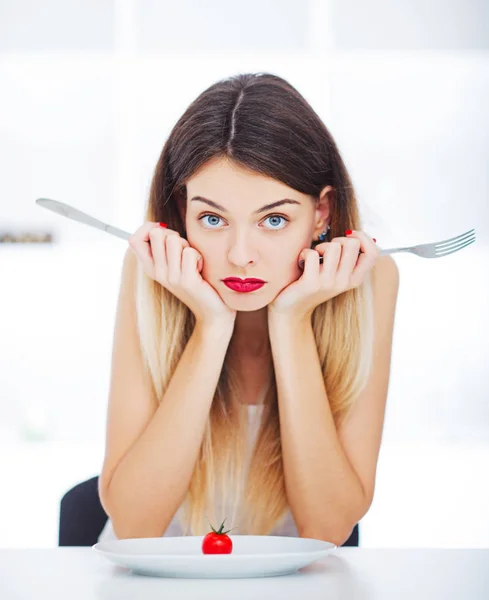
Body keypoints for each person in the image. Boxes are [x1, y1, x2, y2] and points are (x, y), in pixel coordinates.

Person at [97, 72, 399, 546]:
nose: (240, 255)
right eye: (212, 219)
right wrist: (212, 324)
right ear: (182, 210)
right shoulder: (150, 272)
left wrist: (291, 319)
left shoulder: (370, 281)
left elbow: (327, 529)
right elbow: (135, 527)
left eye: (274, 220)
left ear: (321, 212)